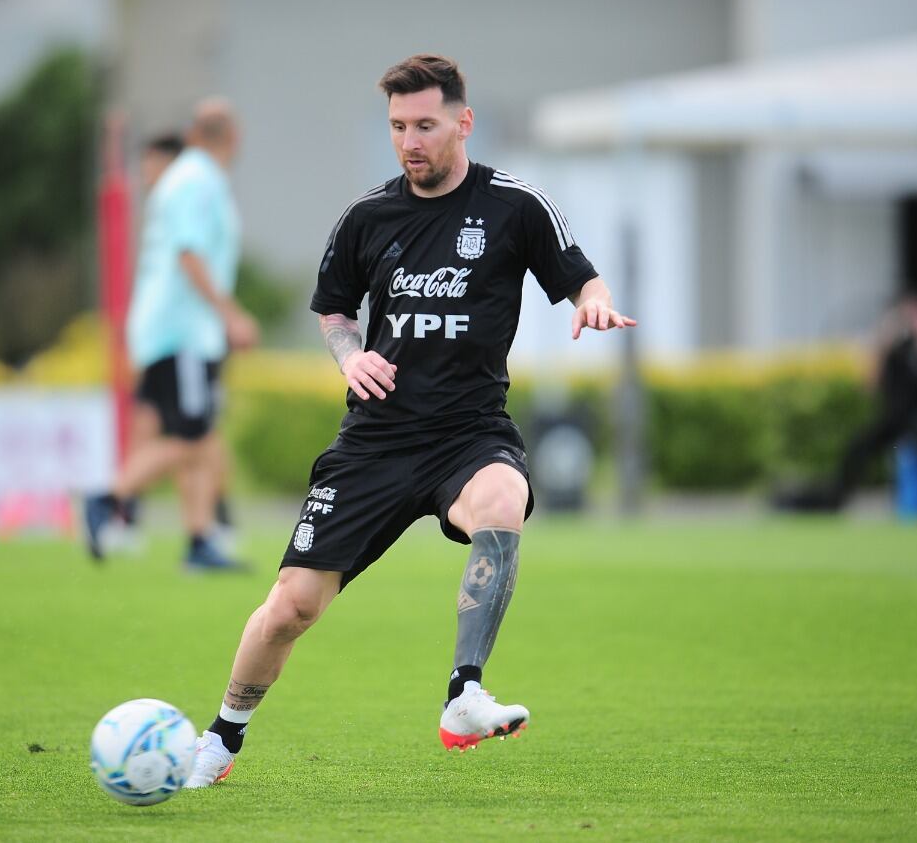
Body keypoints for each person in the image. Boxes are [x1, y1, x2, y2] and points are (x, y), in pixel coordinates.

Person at [184, 54, 635, 788]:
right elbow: (334, 308)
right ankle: (223, 736)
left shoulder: (515, 206)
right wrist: (348, 354)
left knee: (503, 499)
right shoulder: (368, 216)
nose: (409, 141)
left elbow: (579, 273)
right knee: (291, 608)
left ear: (463, 121)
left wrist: (592, 299)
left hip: (469, 432)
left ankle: (464, 693)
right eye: (397, 126)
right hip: (376, 439)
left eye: (424, 124)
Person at [83, 100, 259, 570]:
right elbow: (189, 255)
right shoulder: (198, 181)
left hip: (171, 329)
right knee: (193, 438)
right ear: (231, 138)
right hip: (184, 331)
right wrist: (231, 315)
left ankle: (200, 540)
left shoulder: (188, 178)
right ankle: (108, 497)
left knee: (195, 433)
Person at [774, 289, 917, 514]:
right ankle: (835, 499)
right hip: (894, 416)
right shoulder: (889, 345)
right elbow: (867, 386)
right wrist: (882, 343)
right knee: (859, 447)